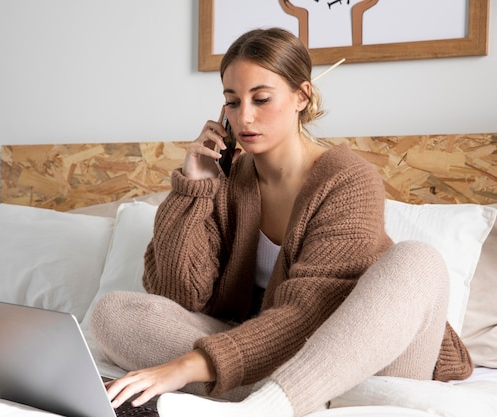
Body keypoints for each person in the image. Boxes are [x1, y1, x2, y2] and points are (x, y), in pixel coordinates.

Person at [90, 27, 473, 417]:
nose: (245, 117)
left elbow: (309, 311)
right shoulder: (225, 181)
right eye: (232, 102)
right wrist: (195, 189)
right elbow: (180, 297)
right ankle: (292, 398)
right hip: (273, 355)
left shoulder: (348, 180)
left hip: (371, 361)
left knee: (417, 259)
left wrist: (185, 367)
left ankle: (266, 403)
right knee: (114, 313)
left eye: (261, 99)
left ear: (301, 96)